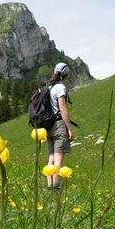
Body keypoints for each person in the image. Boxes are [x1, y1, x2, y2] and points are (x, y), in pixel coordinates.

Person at [46, 62, 74, 190]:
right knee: (58, 159)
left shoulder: (49, 88)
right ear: (64, 74)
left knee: (51, 159)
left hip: (49, 126)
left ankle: (49, 187)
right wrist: (69, 128)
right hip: (59, 125)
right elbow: (62, 109)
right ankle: (55, 188)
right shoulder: (60, 88)